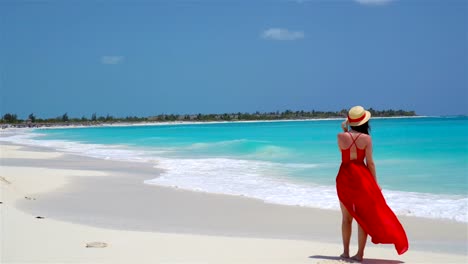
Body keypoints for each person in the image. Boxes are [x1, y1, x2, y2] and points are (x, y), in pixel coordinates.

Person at [336, 106, 408, 262]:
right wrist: (375, 184)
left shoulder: (340, 136)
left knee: (346, 218)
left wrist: (345, 128)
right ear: (364, 122)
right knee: (363, 218)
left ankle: (345, 252)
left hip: (344, 178)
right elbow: (370, 163)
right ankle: (359, 254)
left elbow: (344, 153)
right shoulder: (367, 139)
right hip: (362, 179)